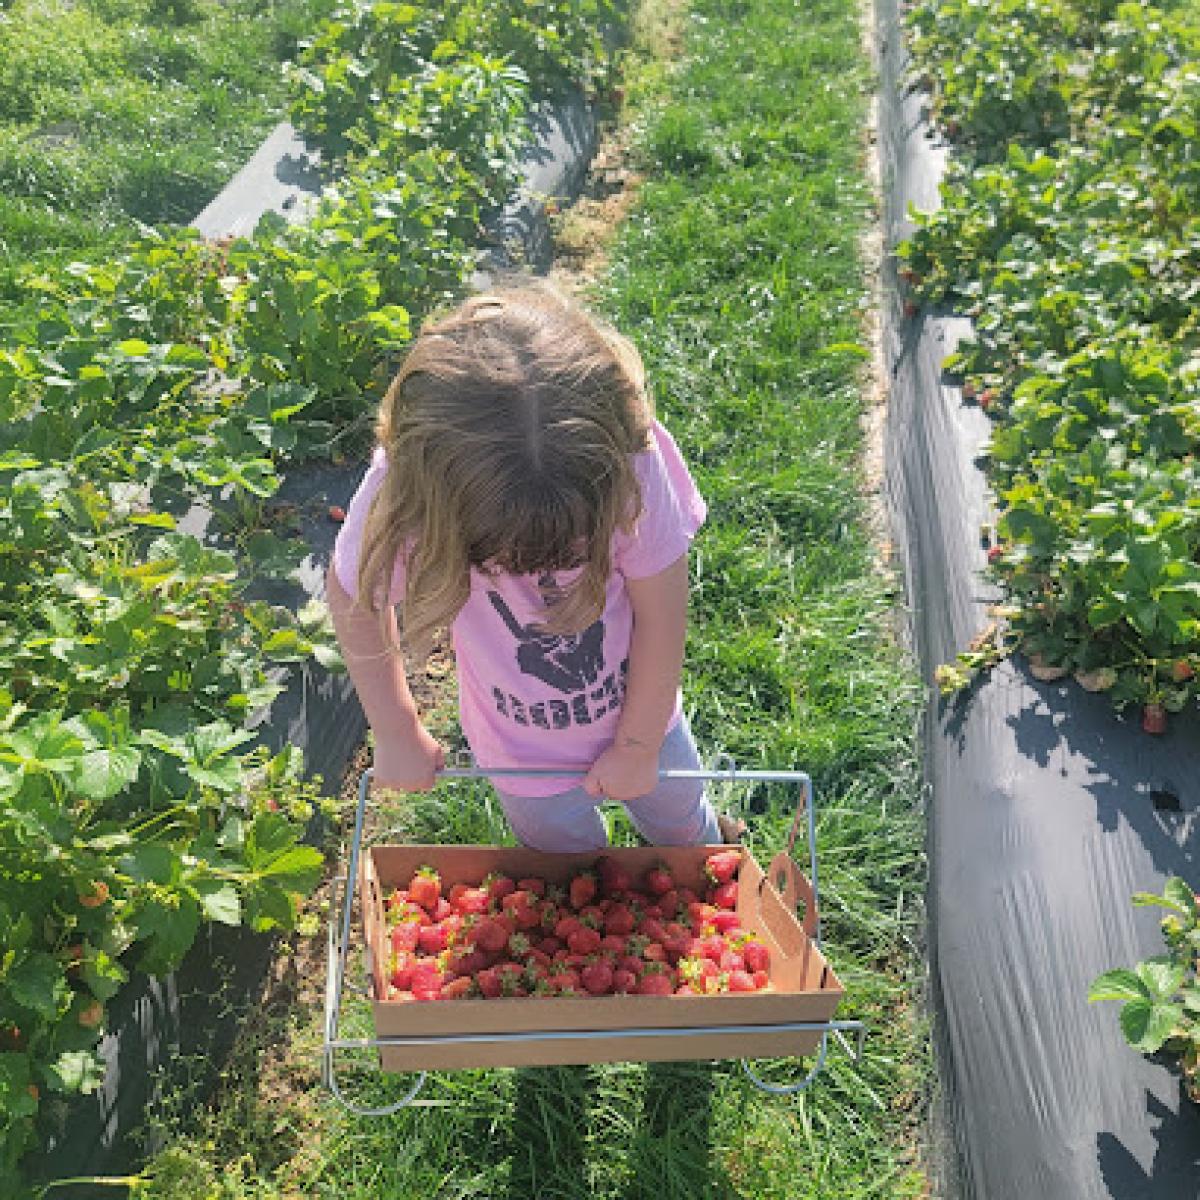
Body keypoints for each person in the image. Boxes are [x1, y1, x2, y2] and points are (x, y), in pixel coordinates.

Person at [327, 282, 727, 852]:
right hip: (517, 747)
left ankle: (706, 868)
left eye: (570, 551)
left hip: (643, 713)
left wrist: (637, 745)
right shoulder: (407, 485)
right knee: (564, 867)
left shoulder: (631, 462)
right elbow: (354, 593)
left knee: (684, 827)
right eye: (504, 558)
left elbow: (663, 612)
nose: (540, 571)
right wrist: (395, 730)